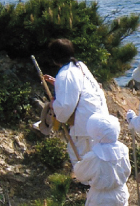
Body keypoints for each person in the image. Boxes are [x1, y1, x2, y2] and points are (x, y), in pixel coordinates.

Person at [42, 38, 109, 170]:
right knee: (97, 152)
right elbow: (78, 88)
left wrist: (54, 106)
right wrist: (58, 83)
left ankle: (87, 183)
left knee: (79, 153)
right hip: (98, 115)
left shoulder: (66, 75)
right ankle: (96, 181)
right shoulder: (79, 66)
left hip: (85, 122)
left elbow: (66, 105)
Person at [72, 113, 131, 206]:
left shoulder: (93, 157)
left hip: (101, 200)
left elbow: (80, 174)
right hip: (120, 194)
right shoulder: (123, 149)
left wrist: (79, 165)